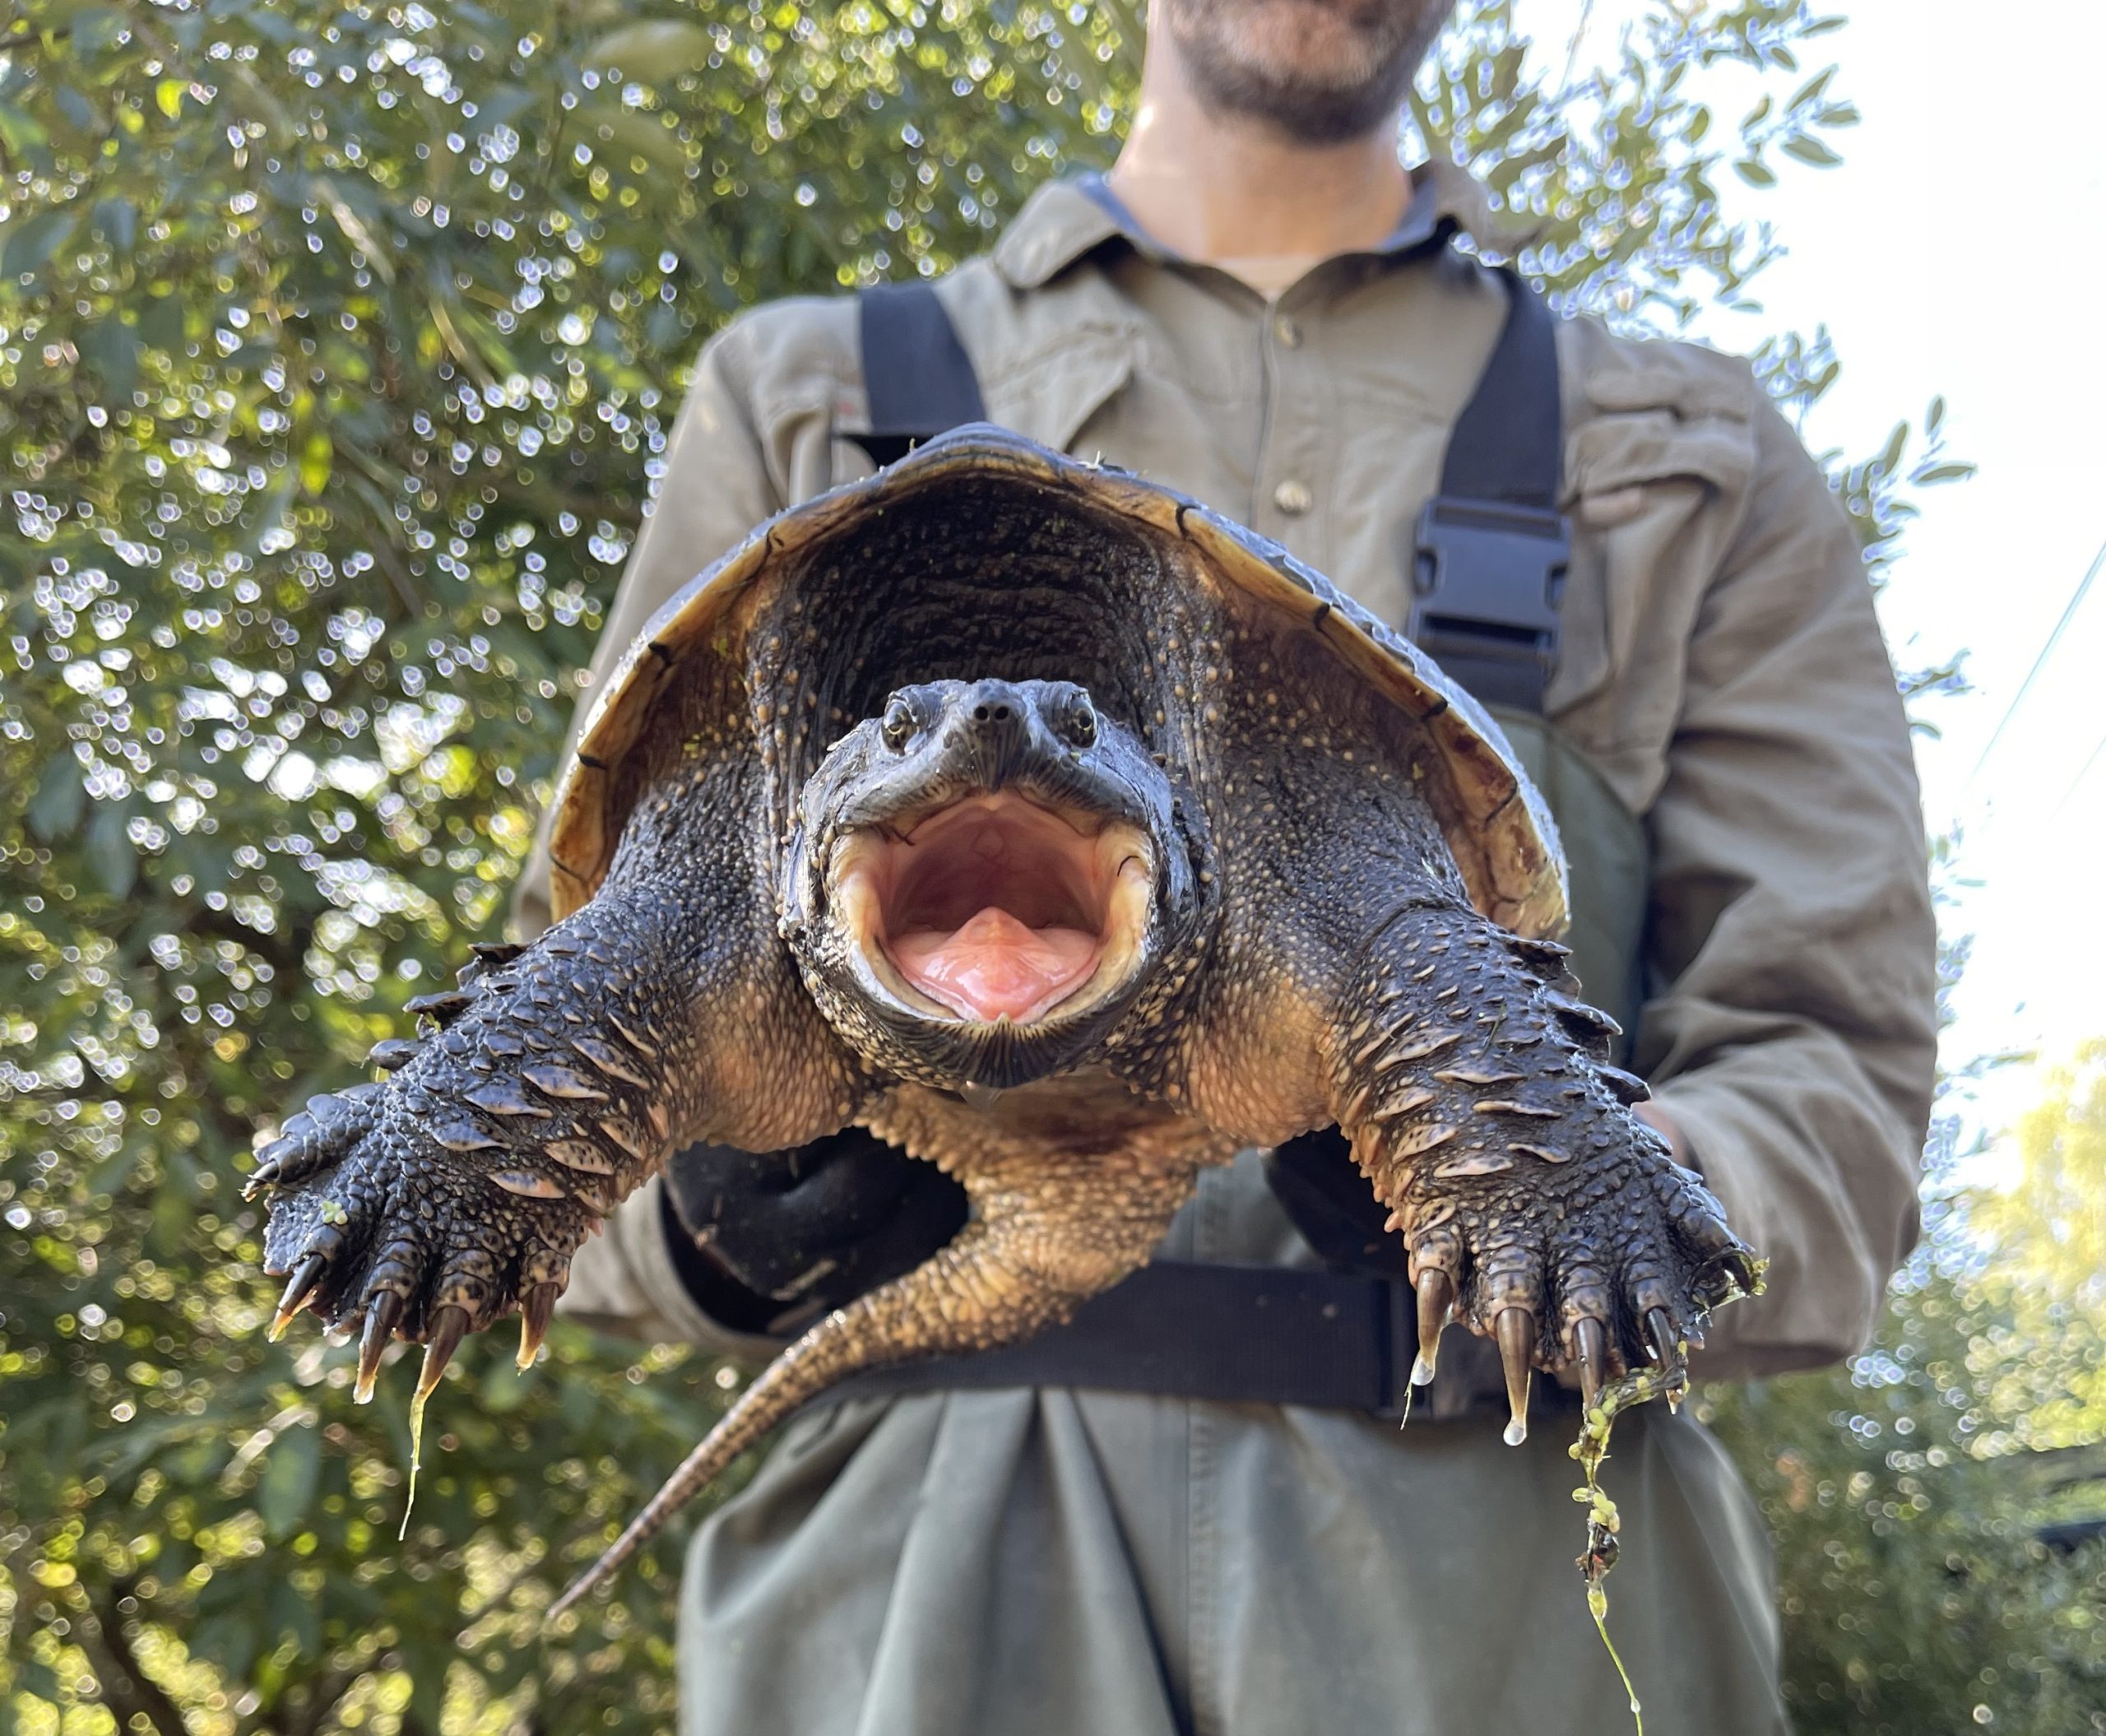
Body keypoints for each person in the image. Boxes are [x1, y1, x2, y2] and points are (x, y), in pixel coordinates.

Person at [516, 2, 1937, 1729]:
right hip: (920, 1581)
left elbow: (1839, 1094)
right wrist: (715, 1209)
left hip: (1522, 1572)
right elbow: (568, 999)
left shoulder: (1675, 443)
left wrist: (1578, 1178)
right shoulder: (809, 397)